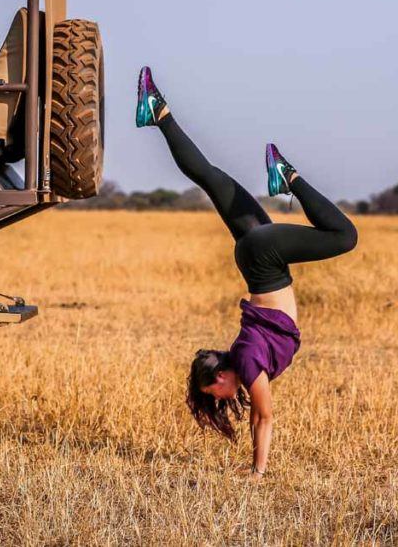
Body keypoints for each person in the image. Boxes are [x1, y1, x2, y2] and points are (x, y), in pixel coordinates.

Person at [135, 66, 358, 479]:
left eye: (214, 393)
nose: (221, 399)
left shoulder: (250, 363)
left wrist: (258, 472)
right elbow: (259, 416)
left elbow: (264, 418)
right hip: (255, 260)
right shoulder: (242, 359)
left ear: (221, 376)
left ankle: (287, 175)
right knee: (212, 179)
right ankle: (158, 110)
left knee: (345, 236)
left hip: (265, 259)